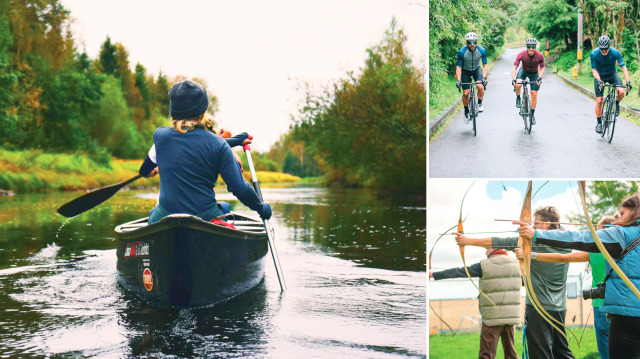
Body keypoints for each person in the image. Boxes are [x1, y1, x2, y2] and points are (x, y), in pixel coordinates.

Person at [516, 194, 640, 359]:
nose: (618, 219)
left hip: (626, 317)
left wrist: (536, 234)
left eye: (623, 214)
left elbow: (580, 238)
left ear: (634, 213)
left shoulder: (621, 234)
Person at [138, 79, 271, 224]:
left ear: (173, 112)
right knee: (225, 207)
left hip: (165, 217)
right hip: (205, 218)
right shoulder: (218, 145)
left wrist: (237, 140)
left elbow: (144, 171)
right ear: (202, 111)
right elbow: (239, 189)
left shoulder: (160, 137)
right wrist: (261, 208)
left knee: (154, 212)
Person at [456, 206, 575, 359]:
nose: (532, 227)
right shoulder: (566, 241)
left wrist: (527, 253)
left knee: (541, 354)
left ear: (547, 224)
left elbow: (538, 250)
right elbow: (500, 241)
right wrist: (467, 241)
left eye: (535, 224)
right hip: (559, 308)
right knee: (562, 352)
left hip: (539, 309)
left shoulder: (539, 245)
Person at [514, 215, 617, 359]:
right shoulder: (625, 251)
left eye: (598, 232)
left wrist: (532, 255)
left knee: (606, 353)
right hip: (622, 307)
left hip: (601, 305)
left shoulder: (595, 252)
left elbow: (563, 258)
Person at [430, 248, 521, 359]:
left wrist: (434, 274)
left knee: (486, 355)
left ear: (493, 249)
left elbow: (460, 271)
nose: (485, 252)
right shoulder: (517, 264)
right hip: (510, 319)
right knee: (511, 354)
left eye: (487, 249)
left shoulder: (484, 265)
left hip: (492, 319)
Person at [590, 35, 632, 134]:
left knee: (621, 92)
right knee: (599, 101)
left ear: (609, 46)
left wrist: (628, 82)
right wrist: (599, 80)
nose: (603, 51)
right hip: (600, 77)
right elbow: (594, 70)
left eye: (605, 49)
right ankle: (599, 123)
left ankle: (616, 103)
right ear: (599, 47)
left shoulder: (615, 53)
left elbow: (624, 68)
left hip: (612, 75)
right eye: (602, 49)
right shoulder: (594, 54)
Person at [456, 31, 488, 123]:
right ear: (467, 43)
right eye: (470, 42)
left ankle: (479, 103)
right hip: (465, 71)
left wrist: (484, 77)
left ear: (477, 42)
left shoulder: (481, 50)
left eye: (474, 42)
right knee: (466, 93)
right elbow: (458, 67)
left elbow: (485, 65)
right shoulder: (462, 52)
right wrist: (458, 80)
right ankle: (466, 111)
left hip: (476, 70)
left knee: (480, 86)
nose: (472, 44)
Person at [512, 38, 545, 125]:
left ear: (535, 47)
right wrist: (513, 79)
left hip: (534, 73)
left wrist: (540, 78)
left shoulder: (540, 56)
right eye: (529, 47)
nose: (531, 49)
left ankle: (532, 115)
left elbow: (542, 68)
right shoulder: (521, 54)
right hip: (523, 71)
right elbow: (515, 67)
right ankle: (518, 98)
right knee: (518, 85)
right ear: (526, 47)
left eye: (533, 47)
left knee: (534, 94)